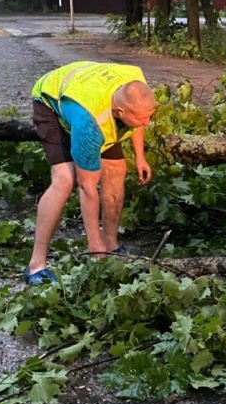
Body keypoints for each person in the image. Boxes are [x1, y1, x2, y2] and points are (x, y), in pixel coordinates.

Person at [25, 61, 157, 285]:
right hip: (52, 100)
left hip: (89, 86)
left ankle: (112, 244)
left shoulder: (135, 81)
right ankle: (36, 265)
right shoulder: (91, 125)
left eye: (150, 115)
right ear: (120, 111)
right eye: (142, 118)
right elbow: (87, 188)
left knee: (116, 169)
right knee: (65, 180)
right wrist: (93, 245)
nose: (148, 122)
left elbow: (138, 116)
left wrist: (139, 156)